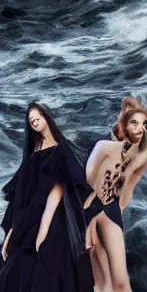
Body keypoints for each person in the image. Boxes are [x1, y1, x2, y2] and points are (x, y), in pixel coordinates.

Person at [0, 102, 92, 292]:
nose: (34, 121)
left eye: (38, 117)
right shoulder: (34, 151)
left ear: (47, 117)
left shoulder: (60, 150)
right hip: (26, 218)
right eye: (31, 120)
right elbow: (21, 195)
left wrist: (42, 231)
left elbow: (56, 193)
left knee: (43, 268)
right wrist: (11, 232)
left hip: (49, 218)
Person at [83, 98, 147, 292]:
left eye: (144, 124)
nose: (140, 128)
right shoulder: (104, 147)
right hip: (90, 210)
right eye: (134, 123)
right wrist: (88, 221)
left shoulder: (135, 158)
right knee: (102, 285)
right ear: (124, 124)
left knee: (120, 284)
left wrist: (143, 114)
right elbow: (89, 180)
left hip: (111, 211)